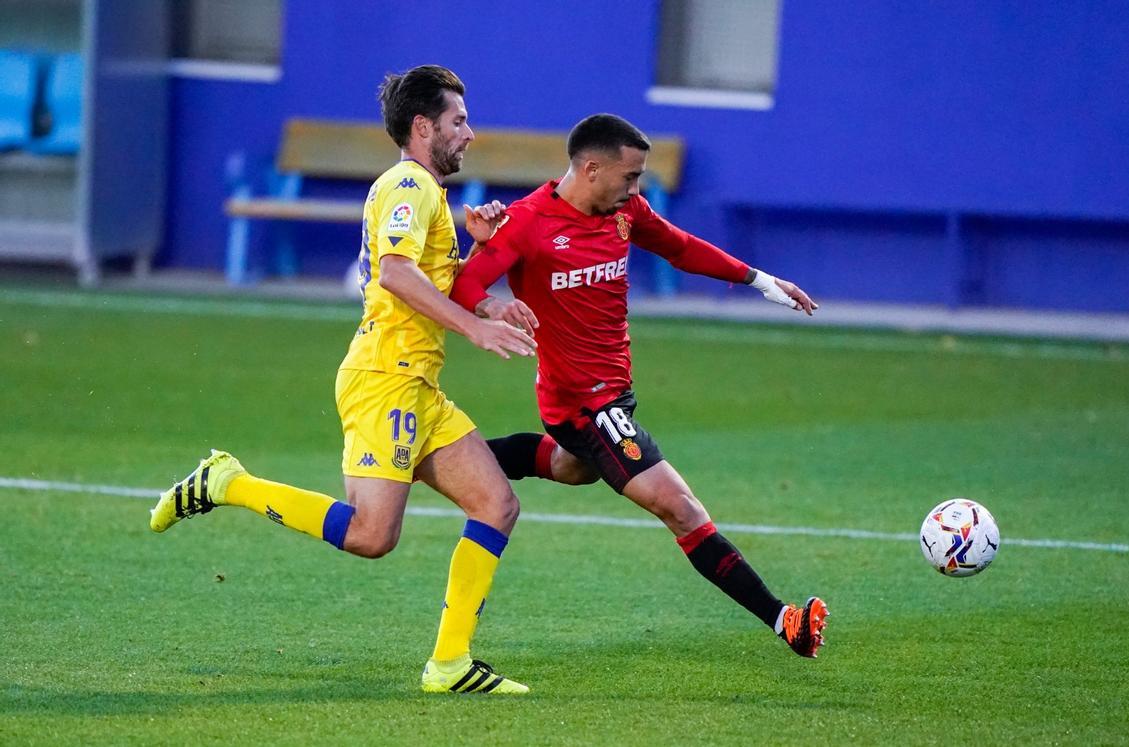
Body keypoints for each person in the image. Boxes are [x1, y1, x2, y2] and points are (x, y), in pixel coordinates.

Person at [149, 65, 537, 695]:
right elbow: (395, 275)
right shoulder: (408, 185)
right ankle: (229, 483)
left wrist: (485, 292)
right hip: (386, 380)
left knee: (496, 503)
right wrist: (474, 328)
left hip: (414, 384)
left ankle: (449, 664)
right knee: (370, 535)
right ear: (423, 126)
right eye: (458, 121)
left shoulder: (426, 192)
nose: (470, 133)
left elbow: (427, 277)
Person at [449, 113, 829, 659]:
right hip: (583, 403)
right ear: (592, 167)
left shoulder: (624, 210)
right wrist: (492, 305)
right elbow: (465, 282)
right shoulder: (526, 222)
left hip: (612, 394)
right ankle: (784, 620)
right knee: (680, 506)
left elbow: (679, 246)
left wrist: (760, 280)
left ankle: (439, 457)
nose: (637, 187)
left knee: (572, 467)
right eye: (630, 176)